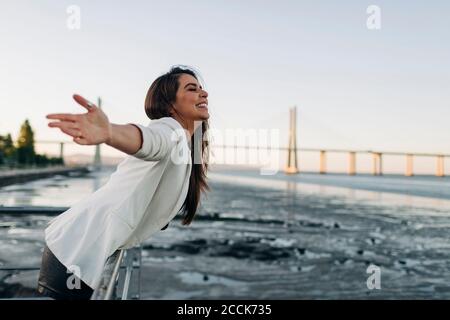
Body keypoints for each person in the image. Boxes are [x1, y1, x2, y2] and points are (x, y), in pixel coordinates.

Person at [36, 65, 211, 300]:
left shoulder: (186, 145)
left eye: (202, 88)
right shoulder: (170, 129)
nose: (204, 93)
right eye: (192, 89)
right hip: (74, 253)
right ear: (170, 105)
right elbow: (150, 140)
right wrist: (109, 132)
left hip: (82, 249)